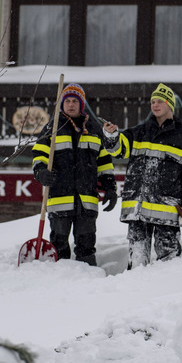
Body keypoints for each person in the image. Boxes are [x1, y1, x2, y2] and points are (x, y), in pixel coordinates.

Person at [101, 83, 182, 269]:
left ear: (170, 104)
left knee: (169, 261)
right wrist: (112, 135)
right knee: (137, 260)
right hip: (137, 209)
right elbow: (117, 150)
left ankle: (163, 295)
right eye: (152, 102)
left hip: (167, 208)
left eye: (160, 101)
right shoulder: (139, 132)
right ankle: (134, 294)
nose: (155, 105)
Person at [32, 83, 117, 266]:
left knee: (86, 245)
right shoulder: (52, 129)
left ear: (81, 104)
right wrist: (40, 172)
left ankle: (87, 280)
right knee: (59, 244)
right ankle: (57, 281)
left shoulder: (94, 130)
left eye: (75, 101)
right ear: (62, 104)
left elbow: (104, 162)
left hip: (86, 200)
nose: (71, 105)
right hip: (59, 197)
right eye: (67, 101)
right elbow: (39, 154)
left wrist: (110, 187)